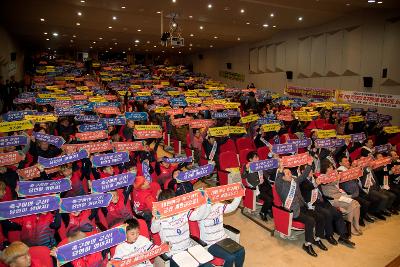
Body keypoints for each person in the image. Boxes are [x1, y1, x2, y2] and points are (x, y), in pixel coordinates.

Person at [275, 159, 328, 257]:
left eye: (290, 172)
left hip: (303, 207)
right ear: (282, 177)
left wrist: (309, 165)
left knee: (320, 217)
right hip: (293, 211)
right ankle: (307, 244)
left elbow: (303, 176)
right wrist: (281, 168)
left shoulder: (294, 181)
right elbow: (277, 179)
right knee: (310, 220)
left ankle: (317, 239)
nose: (290, 174)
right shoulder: (280, 186)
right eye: (287, 174)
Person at [150, 189, 211, 267]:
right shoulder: (159, 218)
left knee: (207, 265)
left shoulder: (184, 210)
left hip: (189, 248)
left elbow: (200, 216)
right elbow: (154, 230)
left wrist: (205, 203)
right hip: (173, 254)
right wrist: (157, 218)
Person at [299, 165, 355, 247]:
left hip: (323, 201)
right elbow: (308, 188)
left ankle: (343, 236)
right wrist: (315, 184)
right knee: (327, 214)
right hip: (312, 204)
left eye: (311, 170)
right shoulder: (302, 182)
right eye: (308, 170)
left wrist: (333, 177)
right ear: (302, 172)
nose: (311, 172)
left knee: (337, 212)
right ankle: (329, 235)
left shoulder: (315, 177)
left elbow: (325, 184)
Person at [196, 196, 245, 267]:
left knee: (241, 251)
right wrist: (206, 204)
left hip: (223, 238)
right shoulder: (199, 211)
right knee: (230, 257)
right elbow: (199, 215)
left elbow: (232, 207)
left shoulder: (218, 206)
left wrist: (239, 195)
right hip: (211, 243)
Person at [319, 160, 363, 236]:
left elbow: (335, 183)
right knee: (352, 204)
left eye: (331, 167)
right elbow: (331, 182)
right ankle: (351, 227)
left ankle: (356, 224)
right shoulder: (322, 177)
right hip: (333, 199)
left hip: (340, 196)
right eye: (329, 167)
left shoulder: (332, 175)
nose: (332, 168)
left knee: (357, 204)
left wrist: (336, 176)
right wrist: (337, 177)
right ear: (325, 168)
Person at [242, 151, 273, 221]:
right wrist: (246, 169)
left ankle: (269, 209)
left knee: (274, 196)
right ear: (250, 159)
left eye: (257, 157)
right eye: (255, 157)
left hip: (265, 185)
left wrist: (270, 154)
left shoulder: (260, 164)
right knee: (269, 199)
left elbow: (268, 165)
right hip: (257, 188)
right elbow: (243, 176)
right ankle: (262, 212)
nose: (257, 159)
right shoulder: (247, 166)